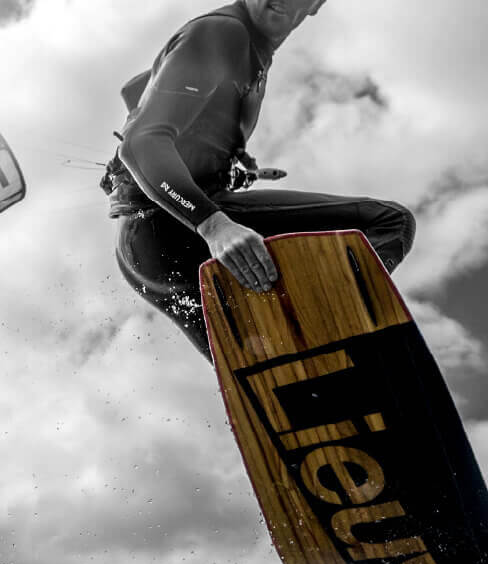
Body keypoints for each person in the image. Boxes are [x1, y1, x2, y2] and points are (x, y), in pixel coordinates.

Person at [101, 0, 416, 361]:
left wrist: (224, 150)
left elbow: (135, 90)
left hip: (142, 256)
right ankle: (325, 329)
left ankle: (303, 373)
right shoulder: (222, 32)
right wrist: (214, 225)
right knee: (388, 223)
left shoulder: (249, 53)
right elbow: (141, 143)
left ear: (315, 5)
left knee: (265, 367)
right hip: (175, 229)